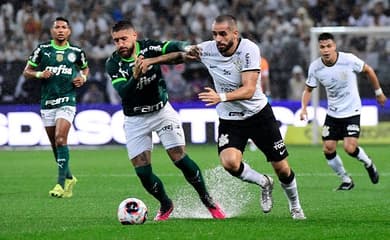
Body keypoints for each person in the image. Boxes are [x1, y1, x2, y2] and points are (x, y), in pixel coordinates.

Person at [184, 15, 305, 220]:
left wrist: (220, 96)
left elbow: (248, 90)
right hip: (231, 119)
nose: (218, 38)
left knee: (282, 168)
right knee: (230, 162)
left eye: (223, 33)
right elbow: (179, 55)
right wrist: (153, 59)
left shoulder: (249, 49)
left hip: (258, 114)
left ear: (234, 33)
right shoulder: (208, 49)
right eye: (214, 34)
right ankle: (263, 182)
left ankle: (295, 206)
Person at [105, 20, 225, 221]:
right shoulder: (113, 63)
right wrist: (134, 76)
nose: (120, 44)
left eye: (124, 39)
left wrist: (186, 47)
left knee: (179, 157)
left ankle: (208, 201)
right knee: (143, 173)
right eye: (116, 40)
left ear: (134, 36)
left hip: (161, 112)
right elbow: (124, 92)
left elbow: (172, 46)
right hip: (135, 119)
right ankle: (166, 204)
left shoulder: (149, 47)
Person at [300, 32, 387, 190]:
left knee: (350, 148)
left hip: (352, 111)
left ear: (335, 46)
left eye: (329, 46)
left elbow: (369, 71)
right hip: (333, 113)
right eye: (322, 47)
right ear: (319, 48)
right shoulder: (315, 67)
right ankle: (346, 180)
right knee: (328, 148)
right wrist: (304, 108)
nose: (326, 50)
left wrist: (379, 93)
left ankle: (368, 163)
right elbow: (308, 89)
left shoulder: (348, 60)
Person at [23, 17, 89, 197]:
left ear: (69, 31)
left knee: (61, 139)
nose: (60, 30)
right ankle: (69, 178)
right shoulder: (43, 50)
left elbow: (85, 69)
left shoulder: (76, 51)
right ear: (52, 31)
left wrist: (82, 78)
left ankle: (60, 184)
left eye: (64, 27)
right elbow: (26, 71)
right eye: (57, 27)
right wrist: (39, 73)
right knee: (55, 145)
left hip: (67, 101)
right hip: (47, 103)